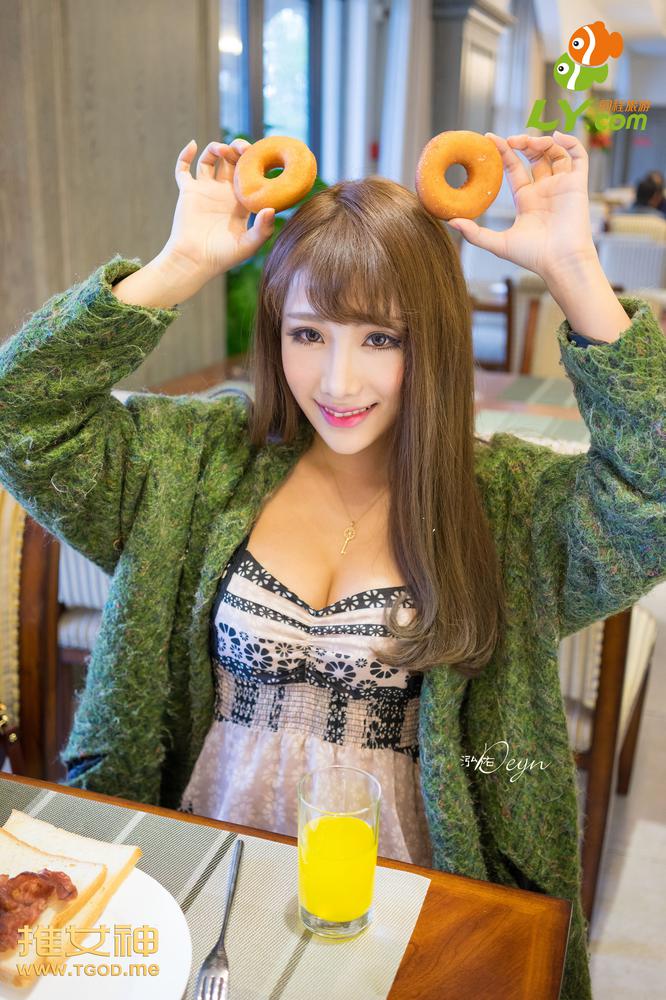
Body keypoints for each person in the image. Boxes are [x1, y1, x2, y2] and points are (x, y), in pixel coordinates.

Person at [0, 129, 664, 1000]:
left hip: (414, 906)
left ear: (434, 342)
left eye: (381, 339)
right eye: (308, 333)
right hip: (196, 878)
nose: (338, 381)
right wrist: (178, 263)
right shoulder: (198, 462)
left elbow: (653, 495)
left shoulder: (509, 507)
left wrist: (575, 271)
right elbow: (21, 414)